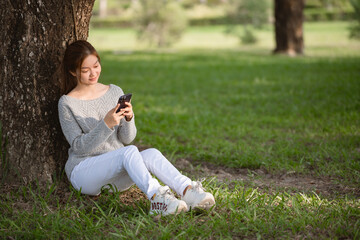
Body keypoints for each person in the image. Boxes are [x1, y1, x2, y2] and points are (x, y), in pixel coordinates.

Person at [58, 40, 215, 216]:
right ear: (73, 71)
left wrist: (129, 118)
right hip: (84, 174)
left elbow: (127, 139)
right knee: (129, 152)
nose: (93, 73)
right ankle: (157, 199)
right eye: (86, 70)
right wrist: (106, 124)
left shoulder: (113, 91)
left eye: (96, 65)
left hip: (115, 178)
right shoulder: (67, 103)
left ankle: (188, 191)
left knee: (151, 154)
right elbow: (79, 147)